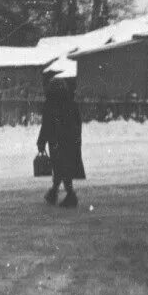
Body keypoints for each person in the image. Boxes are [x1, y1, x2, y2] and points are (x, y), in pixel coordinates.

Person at [37, 79, 85, 208]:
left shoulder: (50, 104)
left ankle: (68, 195)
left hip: (56, 142)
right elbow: (78, 124)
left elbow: (46, 126)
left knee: (59, 168)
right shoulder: (71, 103)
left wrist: (41, 141)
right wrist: (76, 139)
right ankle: (56, 192)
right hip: (69, 142)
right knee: (63, 168)